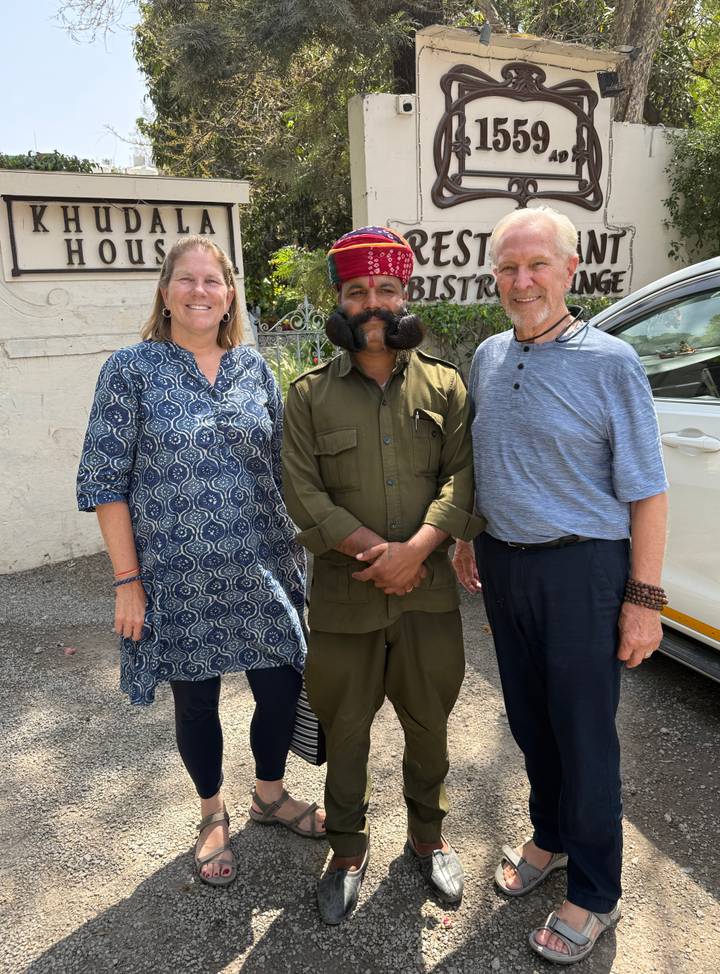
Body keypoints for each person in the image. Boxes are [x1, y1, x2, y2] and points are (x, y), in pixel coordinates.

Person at [453, 206, 669, 964]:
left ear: (571, 270)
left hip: (584, 570)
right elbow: (485, 455)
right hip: (507, 567)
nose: (522, 281)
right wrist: (467, 533)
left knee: (584, 734)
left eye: (537, 264)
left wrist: (644, 602)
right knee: (530, 721)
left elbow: (647, 490)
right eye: (508, 268)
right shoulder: (486, 355)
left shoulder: (611, 362)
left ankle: (597, 891)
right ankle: (551, 837)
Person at [77, 235, 325, 889]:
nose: (198, 292)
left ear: (230, 294)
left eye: (212, 281)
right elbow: (105, 481)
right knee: (197, 703)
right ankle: (211, 813)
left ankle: (268, 794)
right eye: (185, 280)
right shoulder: (130, 369)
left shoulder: (254, 369)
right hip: (175, 575)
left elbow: (284, 470)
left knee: (282, 688)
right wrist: (127, 582)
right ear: (165, 292)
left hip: (261, 564)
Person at [281, 226, 484, 924]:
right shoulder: (308, 396)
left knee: (429, 725)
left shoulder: (446, 385)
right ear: (339, 300)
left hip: (426, 597)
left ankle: (429, 839)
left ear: (406, 296)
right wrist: (380, 553)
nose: (374, 303)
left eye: (387, 290)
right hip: (345, 599)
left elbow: (464, 478)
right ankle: (345, 850)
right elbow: (303, 494)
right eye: (358, 291)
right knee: (346, 730)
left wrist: (419, 548)